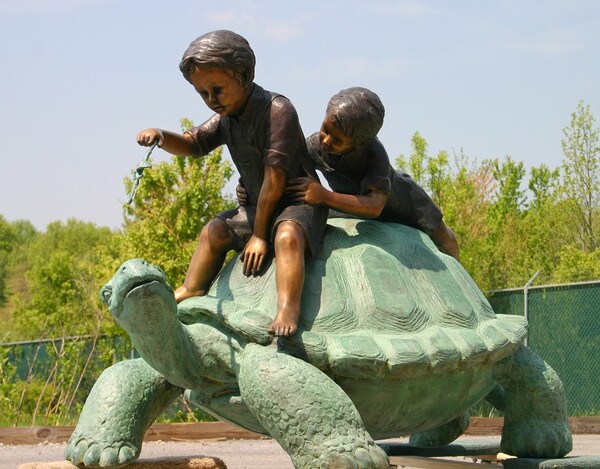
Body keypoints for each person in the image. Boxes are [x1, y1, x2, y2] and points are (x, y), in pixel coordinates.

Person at [136, 30, 328, 337]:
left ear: (245, 75)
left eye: (217, 89)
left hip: (296, 205)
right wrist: (162, 136)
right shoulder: (227, 117)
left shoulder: (278, 111)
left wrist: (259, 236)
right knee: (213, 231)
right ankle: (190, 288)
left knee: (287, 238)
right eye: (203, 93)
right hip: (255, 207)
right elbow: (194, 143)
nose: (212, 100)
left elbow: (274, 183)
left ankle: (288, 308)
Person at [286, 87, 459, 260]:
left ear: (360, 143)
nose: (326, 140)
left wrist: (324, 195)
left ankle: (459, 284)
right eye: (325, 129)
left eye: (338, 140)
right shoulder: (315, 146)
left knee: (445, 238)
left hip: (405, 203)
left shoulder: (375, 154)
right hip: (353, 204)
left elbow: (375, 205)